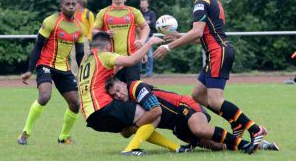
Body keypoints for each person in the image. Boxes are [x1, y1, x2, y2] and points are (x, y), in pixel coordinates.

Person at [153, 0, 267, 153]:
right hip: (218, 50)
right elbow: (204, 36)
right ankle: (235, 123)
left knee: (214, 100)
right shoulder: (214, 0)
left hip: (217, 53)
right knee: (198, 95)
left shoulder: (200, 2)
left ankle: (255, 128)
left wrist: (169, 47)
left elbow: (198, 33)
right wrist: (180, 36)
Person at [78, 32, 189, 156]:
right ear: (109, 46)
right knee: (153, 115)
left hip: (90, 117)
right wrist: (149, 44)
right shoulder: (104, 55)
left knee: (140, 122)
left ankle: (176, 148)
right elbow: (131, 61)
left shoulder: (86, 59)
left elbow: (114, 68)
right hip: (103, 107)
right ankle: (130, 149)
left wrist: (138, 54)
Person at [106, 78, 279, 154]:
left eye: (118, 90)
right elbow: (124, 132)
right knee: (216, 147)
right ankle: (261, 145)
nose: (119, 95)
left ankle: (245, 143)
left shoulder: (136, 87)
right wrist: (126, 128)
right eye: (114, 95)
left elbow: (156, 111)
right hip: (177, 127)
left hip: (183, 106)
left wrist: (134, 127)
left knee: (201, 129)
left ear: (122, 84)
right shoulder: (125, 106)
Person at [18, 0, 85, 145]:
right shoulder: (50, 21)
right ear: (61, 7)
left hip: (64, 68)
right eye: (67, 4)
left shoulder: (79, 28)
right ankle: (25, 133)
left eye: (73, 4)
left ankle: (63, 137)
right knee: (45, 96)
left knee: (75, 104)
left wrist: (87, 71)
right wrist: (30, 69)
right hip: (46, 64)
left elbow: (80, 54)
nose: (70, 6)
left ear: (76, 6)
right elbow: (38, 46)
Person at [94, 0, 150, 83]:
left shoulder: (134, 12)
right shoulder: (103, 13)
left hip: (132, 58)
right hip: (111, 60)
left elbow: (146, 27)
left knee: (133, 90)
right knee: (114, 93)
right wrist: (105, 33)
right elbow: (94, 31)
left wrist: (142, 41)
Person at [70, 0, 95, 76]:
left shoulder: (88, 14)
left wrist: (88, 37)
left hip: (84, 39)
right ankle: (75, 75)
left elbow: (92, 26)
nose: (74, 5)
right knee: (73, 57)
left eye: (75, 3)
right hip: (73, 38)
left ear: (80, 4)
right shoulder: (74, 13)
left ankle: (85, 75)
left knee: (85, 57)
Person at [139, 0, 157, 78]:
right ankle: (138, 72)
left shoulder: (152, 13)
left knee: (149, 55)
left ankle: (149, 73)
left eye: (144, 3)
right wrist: (147, 22)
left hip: (149, 36)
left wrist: (143, 23)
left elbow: (153, 24)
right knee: (138, 55)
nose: (143, 5)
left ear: (147, 4)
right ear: (140, 5)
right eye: (142, 4)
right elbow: (137, 24)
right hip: (140, 37)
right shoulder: (138, 13)